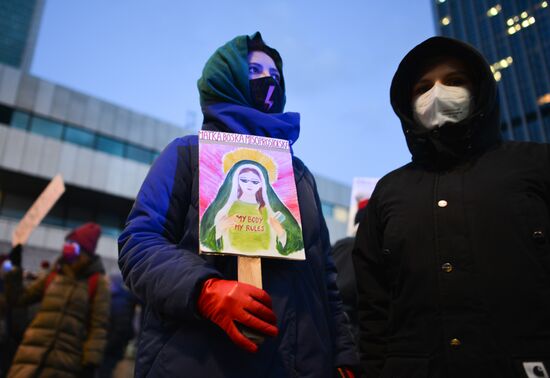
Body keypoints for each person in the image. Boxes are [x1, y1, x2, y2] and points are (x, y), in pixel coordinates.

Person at [118, 32, 358, 377]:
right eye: (255, 69)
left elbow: (325, 278)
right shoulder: (187, 154)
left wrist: (342, 354)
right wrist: (204, 290)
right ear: (226, 76)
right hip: (199, 363)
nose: (268, 79)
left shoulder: (300, 176)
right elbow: (139, 242)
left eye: (275, 75)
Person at [353, 36, 550, 378]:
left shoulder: (537, 165)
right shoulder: (389, 191)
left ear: (480, 91)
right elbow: (373, 309)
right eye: (423, 87)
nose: (438, 92)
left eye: (454, 81)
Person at [5, 223, 110, 378]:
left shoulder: (97, 282)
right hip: (30, 356)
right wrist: (15, 269)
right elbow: (19, 298)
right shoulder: (54, 273)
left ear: (84, 251)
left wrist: (90, 362)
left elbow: (98, 326)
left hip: (64, 362)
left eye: (72, 244)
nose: (66, 247)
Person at [200, 158, 303, 256]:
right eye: (244, 180)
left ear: (262, 184)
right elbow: (206, 241)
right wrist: (219, 228)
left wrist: (281, 232)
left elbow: (294, 244)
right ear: (236, 180)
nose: (249, 185)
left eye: (255, 182)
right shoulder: (225, 207)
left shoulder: (272, 210)